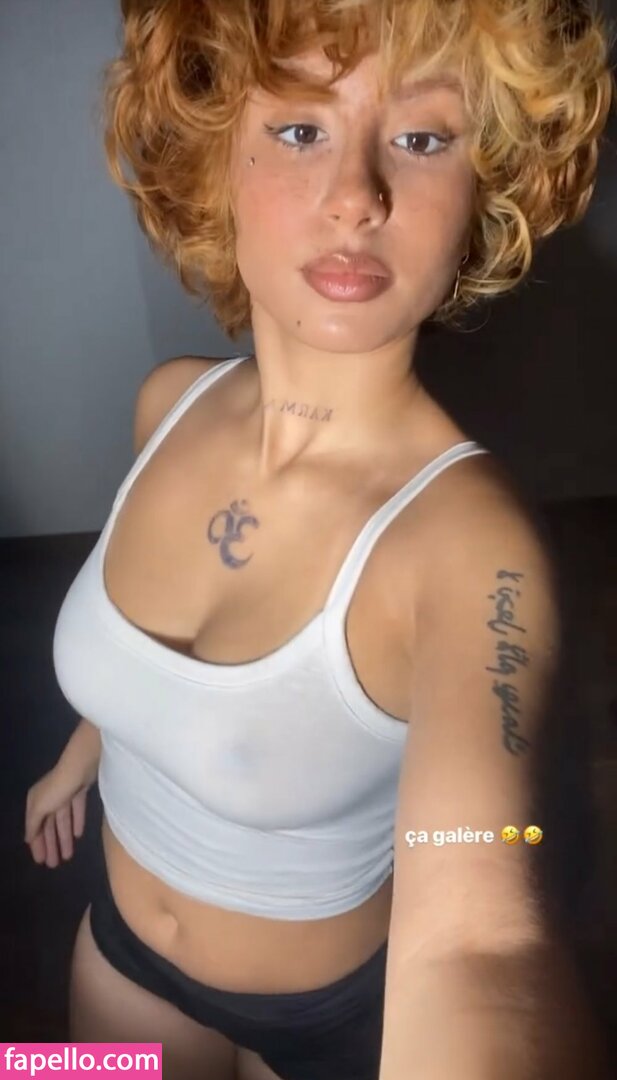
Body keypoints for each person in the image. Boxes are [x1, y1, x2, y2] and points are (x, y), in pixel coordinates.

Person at [24, 2, 615, 1078]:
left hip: (331, 1030)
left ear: (483, 187)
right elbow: (159, 663)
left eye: (422, 137)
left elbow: (480, 934)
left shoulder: (475, 553)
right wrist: (83, 751)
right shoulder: (167, 405)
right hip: (118, 957)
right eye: (299, 129)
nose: (355, 196)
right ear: (214, 161)